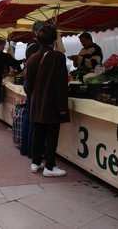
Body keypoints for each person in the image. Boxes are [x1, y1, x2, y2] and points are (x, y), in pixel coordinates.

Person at [25, 24, 69, 177]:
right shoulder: (58, 57)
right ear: (54, 38)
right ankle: (50, 166)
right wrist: (62, 105)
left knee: (38, 132)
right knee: (51, 134)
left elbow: (28, 85)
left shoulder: (32, 58)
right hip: (51, 103)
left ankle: (35, 163)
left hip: (36, 102)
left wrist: (35, 96)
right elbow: (62, 83)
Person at [21, 20, 46, 157]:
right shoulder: (36, 46)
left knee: (28, 116)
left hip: (28, 82)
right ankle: (31, 150)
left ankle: (26, 148)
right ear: (37, 31)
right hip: (33, 83)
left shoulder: (30, 45)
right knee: (32, 118)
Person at [0, 38, 22, 114]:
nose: (3, 47)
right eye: (3, 45)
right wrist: (22, 60)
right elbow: (12, 62)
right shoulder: (0, 54)